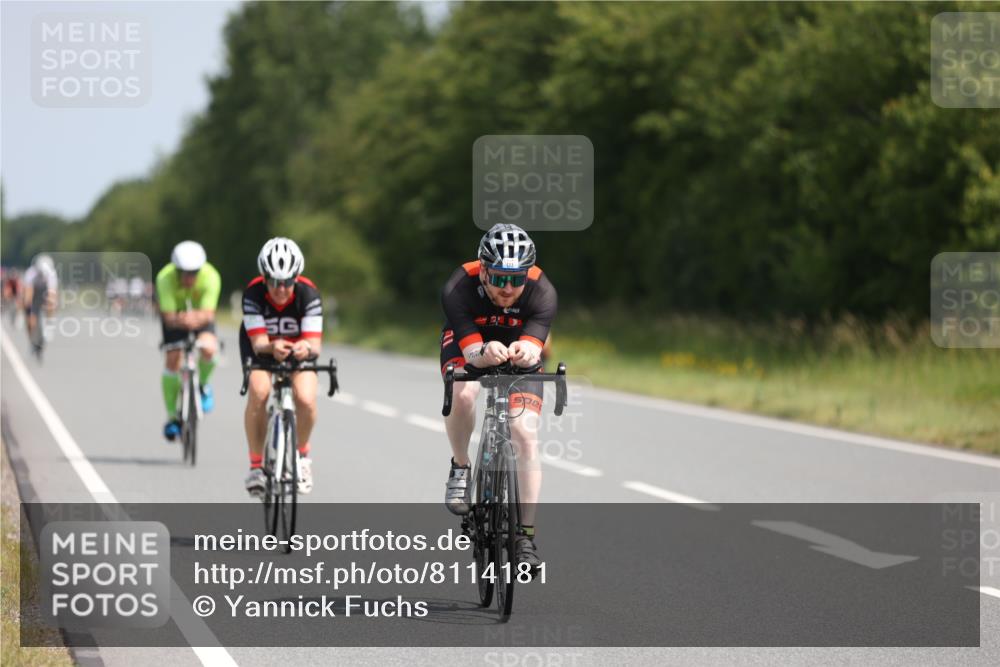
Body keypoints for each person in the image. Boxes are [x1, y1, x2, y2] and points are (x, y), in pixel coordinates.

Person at [439, 223, 557, 572]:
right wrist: (482, 351)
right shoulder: (459, 286)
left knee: (524, 434)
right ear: (484, 272)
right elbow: (472, 351)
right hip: (471, 342)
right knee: (463, 394)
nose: (508, 289)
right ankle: (460, 467)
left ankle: (525, 536)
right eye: (499, 279)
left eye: (515, 279)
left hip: (517, 344)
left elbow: (536, 347)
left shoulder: (542, 290)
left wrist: (527, 351)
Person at [240, 237, 323, 497]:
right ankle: (256, 466)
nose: (281, 289)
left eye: (287, 282)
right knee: (260, 391)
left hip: (298, 353)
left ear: (296, 278)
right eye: (275, 281)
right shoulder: (252, 293)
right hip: (263, 351)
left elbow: (315, 344)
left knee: (307, 399)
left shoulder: (308, 294)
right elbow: (258, 341)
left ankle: (303, 458)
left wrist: (304, 348)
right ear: (264, 278)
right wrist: (272, 346)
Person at [155, 241, 221, 440]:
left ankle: (202, 385)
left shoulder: (211, 276)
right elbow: (168, 316)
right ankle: (172, 417)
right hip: (175, 320)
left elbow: (209, 314)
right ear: (176, 269)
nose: (189, 277)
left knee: (209, 349)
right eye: (183, 272)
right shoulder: (164, 277)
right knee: (173, 358)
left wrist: (194, 319)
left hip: (200, 318)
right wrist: (182, 319)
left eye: (194, 272)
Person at [21, 255, 58, 355]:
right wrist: (28, 305)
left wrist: (51, 302)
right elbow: (28, 291)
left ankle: (49, 323)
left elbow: (52, 291)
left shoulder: (51, 274)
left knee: (51, 302)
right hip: (34, 294)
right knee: (30, 320)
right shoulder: (30, 273)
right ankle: (32, 340)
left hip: (44, 293)